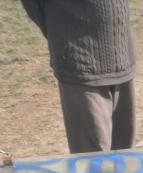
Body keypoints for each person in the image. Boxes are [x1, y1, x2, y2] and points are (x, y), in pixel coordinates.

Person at [21, 0, 136, 153]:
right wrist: (66, 34)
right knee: (92, 159)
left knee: (127, 157)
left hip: (122, 55)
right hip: (82, 65)